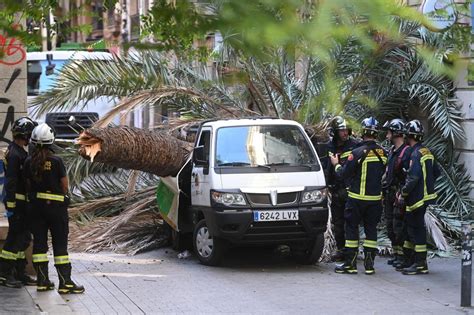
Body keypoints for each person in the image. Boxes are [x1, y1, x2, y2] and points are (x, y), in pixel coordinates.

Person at [23, 123, 84, 293]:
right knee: (60, 246)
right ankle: (65, 283)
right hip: (56, 210)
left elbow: (27, 185)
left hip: (35, 209)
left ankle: (43, 281)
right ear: (51, 141)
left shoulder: (29, 162)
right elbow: (64, 185)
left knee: (40, 245)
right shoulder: (56, 161)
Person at [331, 117, 387, 274]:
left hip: (356, 199)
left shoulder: (356, 153)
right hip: (375, 200)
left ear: (363, 132)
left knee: (351, 230)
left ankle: (350, 264)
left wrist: (336, 164)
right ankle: (369, 266)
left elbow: (342, 174)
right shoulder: (383, 153)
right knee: (371, 230)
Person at [398, 120, 439, 275]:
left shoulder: (415, 154)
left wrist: (403, 192)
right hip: (425, 197)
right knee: (411, 229)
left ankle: (420, 264)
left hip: (416, 199)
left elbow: (413, 177)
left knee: (417, 230)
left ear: (409, 136)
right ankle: (410, 260)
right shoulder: (427, 152)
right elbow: (436, 173)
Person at [0, 117, 37, 288]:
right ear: (26, 135)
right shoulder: (16, 154)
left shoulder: (17, 150)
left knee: (24, 238)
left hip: (22, 204)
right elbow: (11, 182)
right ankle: (4, 274)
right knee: (14, 240)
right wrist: (12, 207)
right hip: (18, 204)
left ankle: (20, 272)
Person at [326, 116, 359, 262]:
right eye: (342, 130)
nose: (345, 133)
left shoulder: (355, 146)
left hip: (350, 190)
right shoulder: (329, 147)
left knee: (351, 222)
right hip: (336, 191)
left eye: (347, 130)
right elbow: (326, 168)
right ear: (335, 132)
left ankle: (352, 251)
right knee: (338, 223)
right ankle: (341, 250)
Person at [381, 119, 412, 268]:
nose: (387, 135)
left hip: (399, 195)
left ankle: (403, 257)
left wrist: (402, 194)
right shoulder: (392, 151)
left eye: (389, 132)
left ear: (395, 133)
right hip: (389, 194)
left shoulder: (406, 153)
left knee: (399, 227)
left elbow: (410, 177)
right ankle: (396, 254)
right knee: (390, 226)